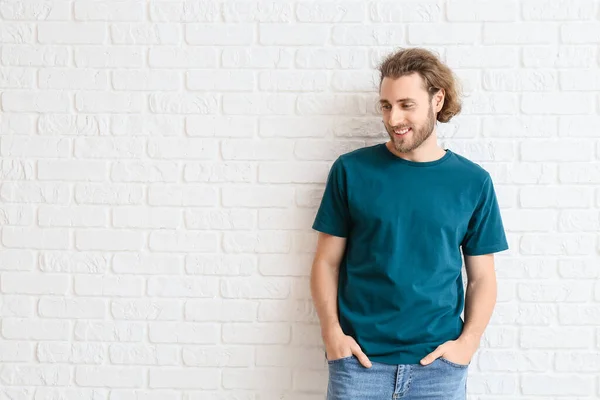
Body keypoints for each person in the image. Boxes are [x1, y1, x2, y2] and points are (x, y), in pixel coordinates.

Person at [309, 47, 509, 400]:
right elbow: (326, 262)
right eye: (386, 105)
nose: (393, 117)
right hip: (359, 365)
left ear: (437, 100)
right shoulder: (351, 170)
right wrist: (332, 336)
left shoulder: (473, 182)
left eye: (406, 104)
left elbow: (482, 278)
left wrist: (468, 345)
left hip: (438, 369)